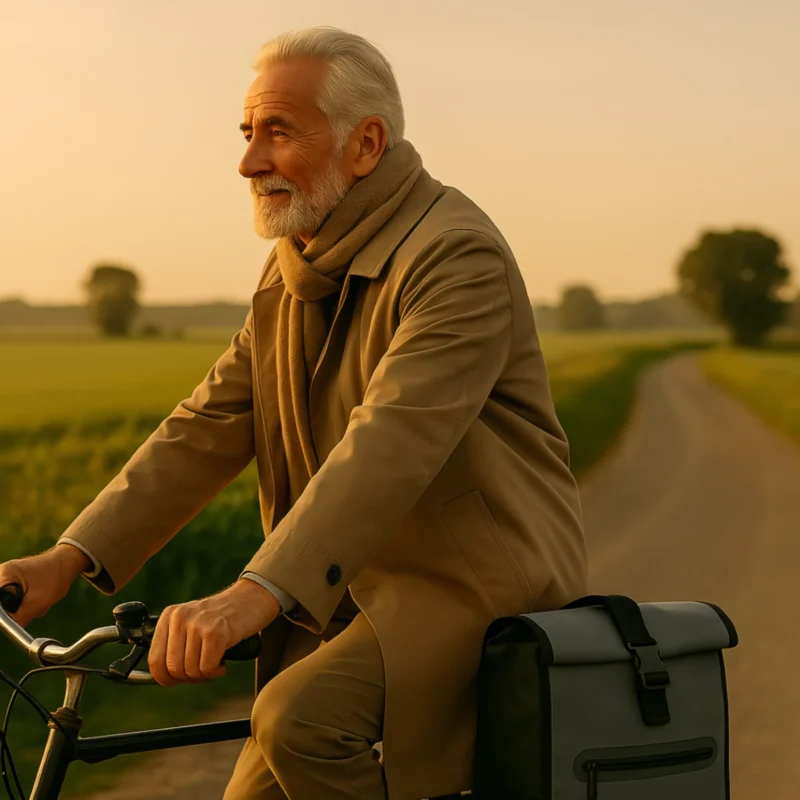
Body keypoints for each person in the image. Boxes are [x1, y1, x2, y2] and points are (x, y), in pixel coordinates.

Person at [0, 26, 588, 800]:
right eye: (247, 134)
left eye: (277, 132)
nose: (248, 161)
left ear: (366, 143)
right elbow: (206, 423)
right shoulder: (293, 270)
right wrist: (69, 557)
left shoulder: (455, 255)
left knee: (298, 722)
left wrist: (252, 594)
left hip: (464, 583)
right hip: (337, 591)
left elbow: (393, 440)